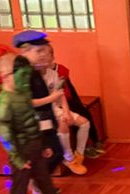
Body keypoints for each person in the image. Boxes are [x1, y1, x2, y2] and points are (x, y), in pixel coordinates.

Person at [0, 54, 83, 194]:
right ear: (5, 76)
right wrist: (18, 159)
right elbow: (5, 134)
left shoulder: (23, 95)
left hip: (35, 147)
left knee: (45, 181)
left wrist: (43, 144)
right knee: (19, 189)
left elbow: (33, 122)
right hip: (21, 152)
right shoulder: (5, 102)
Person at [33, 40, 91, 175]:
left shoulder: (53, 74)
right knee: (62, 125)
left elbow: (60, 95)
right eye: (40, 54)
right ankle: (69, 159)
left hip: (54, 108)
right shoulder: (31, 78)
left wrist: (66, 111)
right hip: (39, 114)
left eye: (47, 55)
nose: (44, 58)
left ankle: (79, 155)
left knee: (84, 123)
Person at [13, 31, 65, 176]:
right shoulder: (22, 73)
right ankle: (34, 182)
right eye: (39, 51)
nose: (43, 55)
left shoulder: (34, 70)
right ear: (25, 51)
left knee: (56, 153)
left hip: (44, 121)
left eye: (45, 51)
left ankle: (38, 182)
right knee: (47, 155)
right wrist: (52, 97)